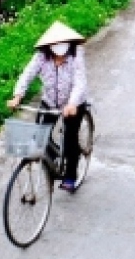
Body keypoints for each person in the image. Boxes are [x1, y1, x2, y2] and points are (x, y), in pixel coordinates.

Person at [7, 22, 90, 192]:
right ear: (49, 45)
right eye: (55, 44)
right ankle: (52, 163)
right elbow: (28, 74)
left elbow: (80, 81)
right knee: (40, 138)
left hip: (73, 104)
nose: (59, 48)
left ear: (69, 42)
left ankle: (70, 176)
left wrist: (72, 103)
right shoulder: (41, 57)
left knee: (70, 139)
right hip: (50, 102)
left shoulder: (76, 55)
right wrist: (17, 95)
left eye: (63, 43)